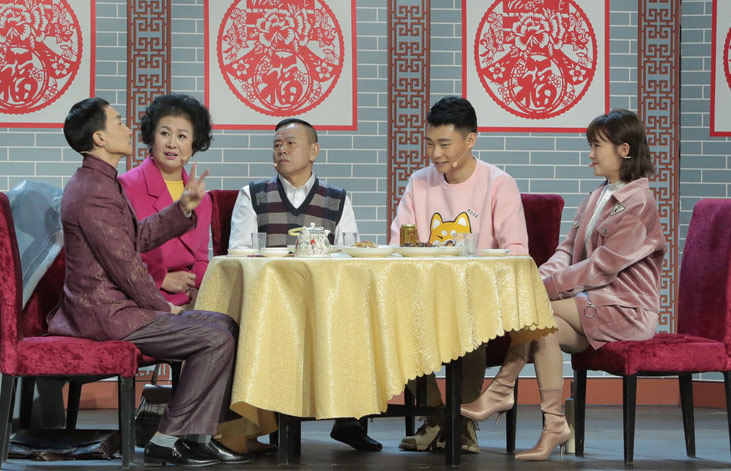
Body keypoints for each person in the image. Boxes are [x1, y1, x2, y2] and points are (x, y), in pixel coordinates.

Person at [47, 97, 251, 467]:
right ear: (100, 138)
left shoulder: (102, 182)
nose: (128, 129)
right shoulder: (94, 190)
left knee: (225, 325)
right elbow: (126, 265)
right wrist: (164, 306)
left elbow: (134, 238)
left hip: (119, 308)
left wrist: (182, 207)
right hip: (106, 314)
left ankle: (197, 437)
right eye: (118, 122)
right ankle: (165, 439)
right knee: (215, 338)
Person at [460, 109, 666, 460]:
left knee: (540, 309)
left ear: (624, 150)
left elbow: (601, 268)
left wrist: (543, 290)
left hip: (626, 309)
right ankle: (554, 424)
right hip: (593, 304)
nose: (590, 154)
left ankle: (502, 388)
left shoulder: (639, 204)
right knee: (545, 327)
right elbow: (567, 251)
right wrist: (535, 280)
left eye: (597, 146)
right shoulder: (597, 196)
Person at [228, 118, 382, 452]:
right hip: (271, 302)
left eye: (290, 143)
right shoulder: (253, 194)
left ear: (314, 151)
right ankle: (260, 422)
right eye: (277, 144)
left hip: (323, 302)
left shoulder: (337, 198)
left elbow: (347, 253)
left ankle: (348, 419)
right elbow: (241, 251)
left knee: (356, 320)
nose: (281, 150)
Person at [390, 96, 529, 454]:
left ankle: (463, 422)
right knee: (390, 321)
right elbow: (399, 243)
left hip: (478, 297)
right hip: (425, 293)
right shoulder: (419, 182)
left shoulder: (498, 183)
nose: (435, 154)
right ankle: (438, 416)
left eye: (444, 144)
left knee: (471, 324)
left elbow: (516, 251)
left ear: (470, 141)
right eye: (429, 144)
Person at [119, 94, 212, 309]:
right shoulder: (125, 186)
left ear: (193, 144)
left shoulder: (202, 198)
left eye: (182, 136)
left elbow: (200, 259)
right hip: (142, 298)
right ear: (151, 137)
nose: (172, 144)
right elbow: (117, 253)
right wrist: (161, 278)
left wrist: (197, 288)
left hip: (188, 299)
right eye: (164, 133)